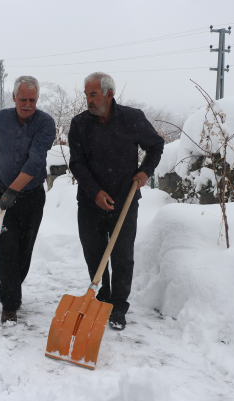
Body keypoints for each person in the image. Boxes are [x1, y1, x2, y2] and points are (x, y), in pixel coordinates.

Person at [68, 72, 164, 330]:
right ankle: (102, 299)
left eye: (93, 94)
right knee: (95, 254)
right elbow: (76, 163)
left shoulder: (133, 119)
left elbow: (156, 145)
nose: (88, 99)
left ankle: (118, 307)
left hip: (125, 199)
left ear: (109, 95)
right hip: (90, 202)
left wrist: (145, 172)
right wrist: (96, 193)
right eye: (86, 94)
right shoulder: (79, 124)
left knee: (122, 256)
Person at [0, 76, 56, 324]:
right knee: (7, 248)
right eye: (23, 99)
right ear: (14, 98)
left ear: (37, 99)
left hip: (31, 197)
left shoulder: (45, 124)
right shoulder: (0, 119)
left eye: (32, 100)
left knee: (23, 250)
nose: (27, 104)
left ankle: (13, 289)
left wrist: (14, 191)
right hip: (0, 193)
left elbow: (35, 160)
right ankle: (9, 304)